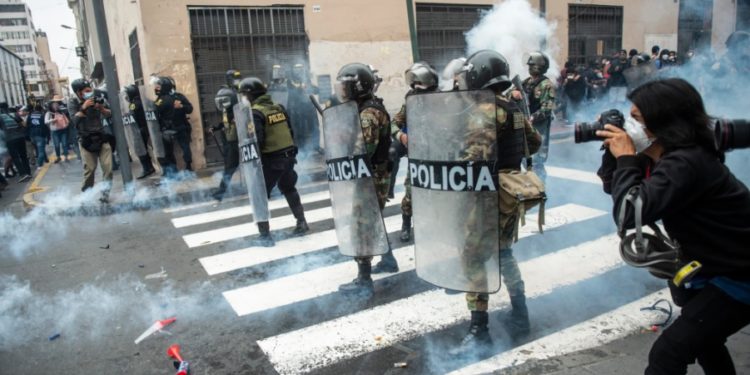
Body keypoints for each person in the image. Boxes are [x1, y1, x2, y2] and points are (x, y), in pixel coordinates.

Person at [596, 78, 750, 375]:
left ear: (662, 123)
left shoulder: (686, 162)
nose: (631, 125)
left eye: (637, 119)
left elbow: (631, 213)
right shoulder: (659, 157)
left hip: (739, 274)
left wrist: (627, 157)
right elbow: (615, 189)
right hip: (713, 267)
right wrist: (615, 156)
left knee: (668, 354)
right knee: (706, 343)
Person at [452, 50, 542, 353]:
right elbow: (535, 143)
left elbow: (473, 161)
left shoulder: (483, 112)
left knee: (474, 257)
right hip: (510, 193)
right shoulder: (512, 107)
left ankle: (478, 330)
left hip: (486, 196)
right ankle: (521, 316)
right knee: (504, 253)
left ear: (478, 75)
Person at [335, 63, 392, 296]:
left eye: (346, 87)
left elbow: (363, 150)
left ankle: (364, 279)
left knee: (362, 226)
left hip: (371, 178)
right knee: (372, 219)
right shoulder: (363, 108)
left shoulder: (368, 114)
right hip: (373, 175)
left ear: (358, 87)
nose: (343, 91)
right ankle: (388, 259)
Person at [238, 77, 309, 246]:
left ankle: (265, 237)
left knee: (259, 195)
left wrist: (256, 165)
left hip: (271, 161)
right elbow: (290, 131)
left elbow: (258, 141)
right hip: (289, 157)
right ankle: (302, 222)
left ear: (250, 95)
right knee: (289, 188)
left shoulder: (255, 113)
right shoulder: (278, 108)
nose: (243, 97)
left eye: (244, 94)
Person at [386, 62, 439, 248]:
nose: (415, 87)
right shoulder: (410, 100)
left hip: (438, 156)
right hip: (417, 155)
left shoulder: (443, 100)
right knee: (410, 193)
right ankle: (406, 225)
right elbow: (393, 123)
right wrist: (400, 135)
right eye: (413, 83)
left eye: (419, 83)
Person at [511, 51, 555, 182]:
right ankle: (532, 183)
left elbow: (547, 108)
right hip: (525, 125)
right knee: (525, 157)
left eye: (532, 65)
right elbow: (510, 94)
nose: (529, 68)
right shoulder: (526, 82)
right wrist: (513, 94)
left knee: (537, 160)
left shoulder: (546, 84)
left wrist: (532, 118)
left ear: (538, 67)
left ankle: (540, 186)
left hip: (538, 127)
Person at [69, 78, 114, 202]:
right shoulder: (73, 102)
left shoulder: (97, 97)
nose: (89, 93)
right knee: (90, 169)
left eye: (90, 90)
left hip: (101, 136)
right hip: (85, 139)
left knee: (108, 169)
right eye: (86, 91)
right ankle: (86, 194)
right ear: (79, 92)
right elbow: (74, 121)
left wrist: (101, 108)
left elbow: (110, 113)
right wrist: (83, 108)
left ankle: (105, 194)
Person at [153, 76, 194, 175]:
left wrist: (181, 106)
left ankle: (186, 167)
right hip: (169, 128)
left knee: (183, 147)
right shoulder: (163, 99)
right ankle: (176, 169)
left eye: (159, 86)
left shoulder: (177, 97)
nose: (156, 88)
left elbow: (190, 109)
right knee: (169, 150)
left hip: (179, 126)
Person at [210, 86, 240, 201]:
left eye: (224, 101)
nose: (222, 104)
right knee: (229, 168)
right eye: (220, 101)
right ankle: (220, 192)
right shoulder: (226, 112)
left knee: (229, 168)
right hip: (229, 143)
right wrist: (216, 127)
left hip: (236, 144)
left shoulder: (237, 111)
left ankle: (220, 193)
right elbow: (225, 124)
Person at [123, 84, 157, 179]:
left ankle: (147, 168)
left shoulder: (134, 104)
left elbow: (131, 115)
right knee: (145, 149)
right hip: (147, 128)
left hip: (140, 129)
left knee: (140, 149)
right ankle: (149, 167)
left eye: (127, 94)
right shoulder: (144, 100)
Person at [0, 103, 31, 182]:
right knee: (23, 155)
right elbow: (24, 125)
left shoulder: (1, 117)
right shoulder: (14, 114)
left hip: (10, 139)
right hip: (20, 137)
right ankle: (28, 172)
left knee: (15, 157)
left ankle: (23, 174)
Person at [45, 96, 70, 163]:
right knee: (57, 145)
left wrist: (66, 125)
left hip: (63, 130)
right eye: (54, 105)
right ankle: (58, 157)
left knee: (64, 144)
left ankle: (66, 156)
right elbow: (46, 121)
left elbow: (66, 120)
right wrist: (52, 120)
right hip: (55, 131)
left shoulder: (61, 112)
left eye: (57, 105)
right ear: (51, 106)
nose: (56, 106)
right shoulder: (49, 113)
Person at [26, 102, 49, 170]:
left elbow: (27, 126)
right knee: (40, 150)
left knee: (39, 148)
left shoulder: (30, 116)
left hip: (32, 135)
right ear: (41, 110)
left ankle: (46, 159)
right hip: (40, 135)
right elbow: (45, 126)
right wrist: (48, 136)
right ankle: (40, 164)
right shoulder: (42, 116)